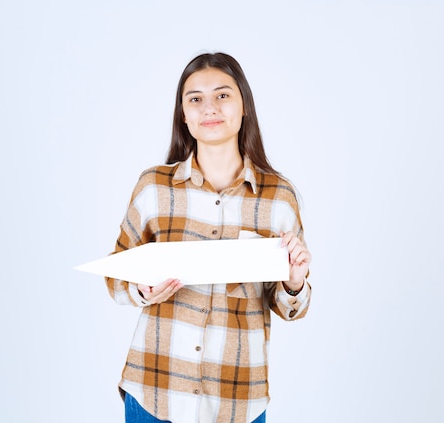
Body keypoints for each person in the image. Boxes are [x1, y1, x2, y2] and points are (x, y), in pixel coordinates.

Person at [105, 52, 312, 423]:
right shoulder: (153, 188)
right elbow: (115, 278)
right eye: (195, 99)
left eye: (222, 95)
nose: (209, 108)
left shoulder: (279, 197)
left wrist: (294, 283)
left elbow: (286, 305)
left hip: (236, 400)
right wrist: (143, 289)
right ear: (183, 115)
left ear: (243, 104)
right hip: (155, 390)